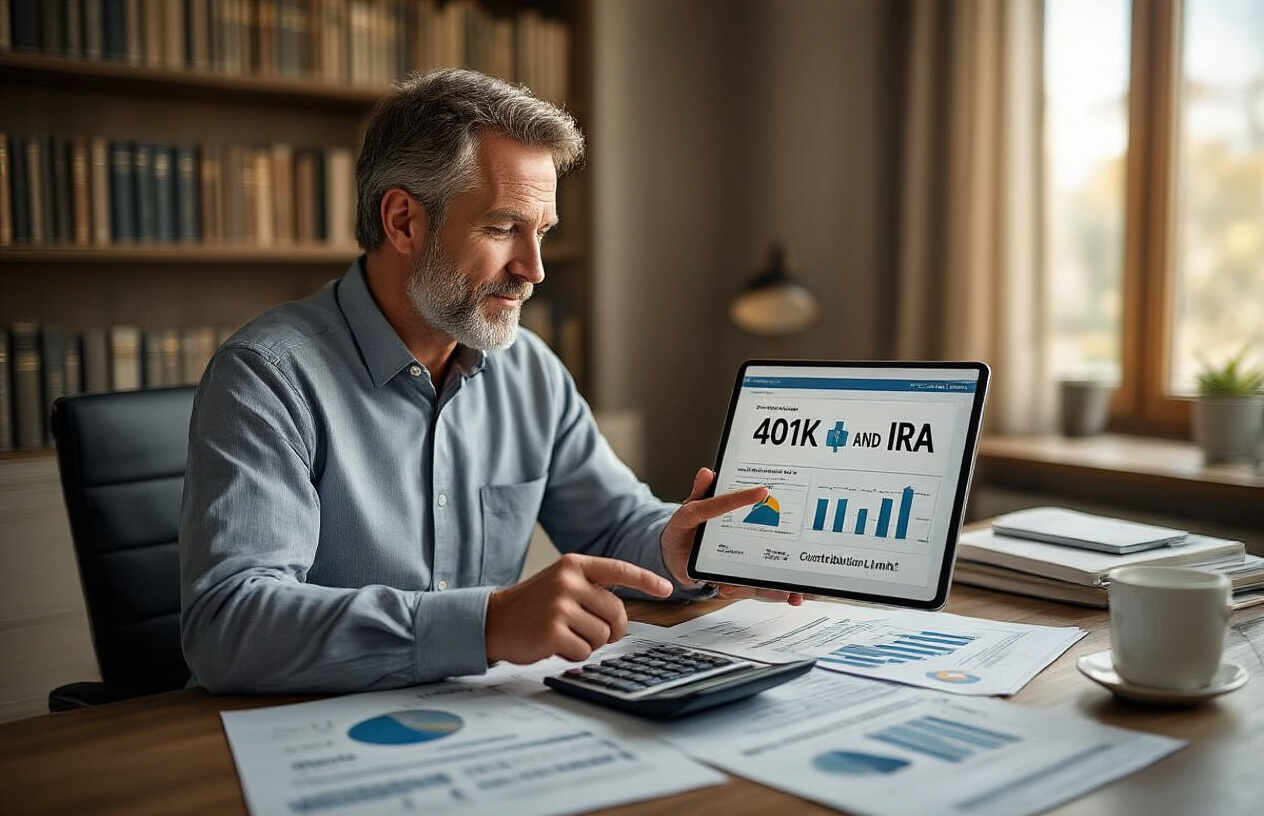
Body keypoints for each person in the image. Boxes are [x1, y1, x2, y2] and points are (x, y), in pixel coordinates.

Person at [179, 68, 803, 695]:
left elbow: (612, 526)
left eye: (544, 233)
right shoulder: (267, 376)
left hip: (485, 719)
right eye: (504, 229)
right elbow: (229, 623)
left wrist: (679, 545)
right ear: (402, 221)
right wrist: (486, 624)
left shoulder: (529, 369)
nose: (533, 269)